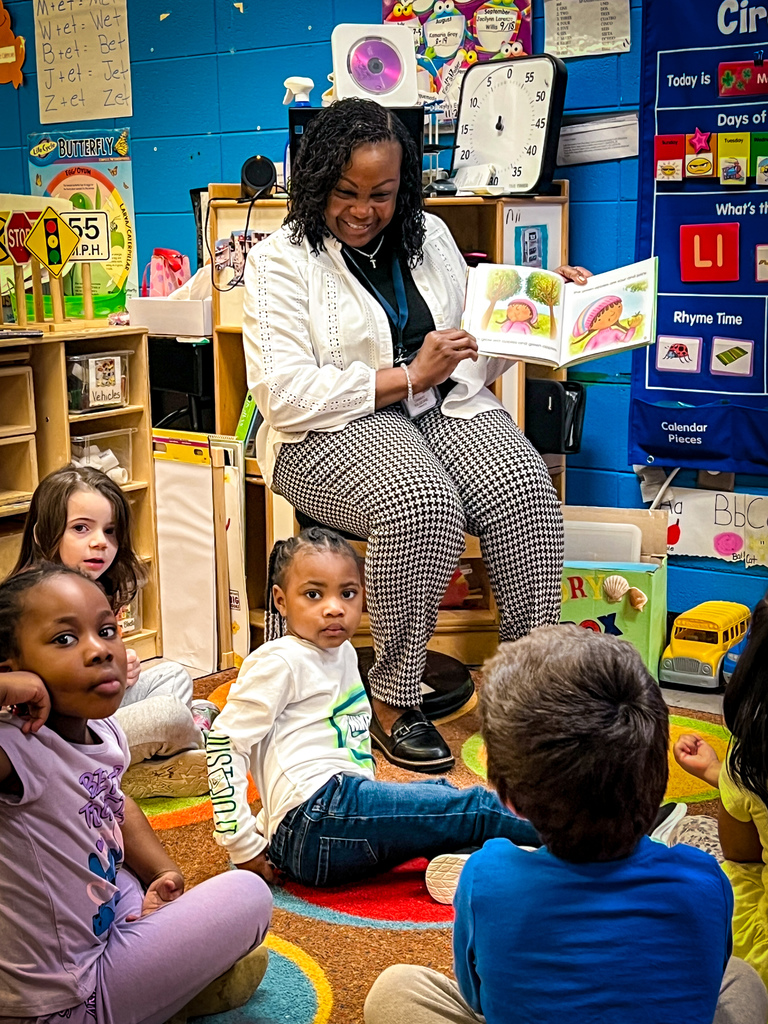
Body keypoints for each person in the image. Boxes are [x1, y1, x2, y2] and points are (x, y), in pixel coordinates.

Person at [241, 96, 589, 773]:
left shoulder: (427, 235)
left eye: (384, 193)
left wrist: (546, 315)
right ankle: (394, 698)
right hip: (327, 428)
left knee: (525, 491)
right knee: (421, 501)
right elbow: (282, 395)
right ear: (316, 181)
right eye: (347, 192)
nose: (365, 209)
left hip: (439, 405)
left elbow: (473, 349)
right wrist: (405, 374)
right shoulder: (279, 259)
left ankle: (530, 689)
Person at [365, 625, 768, 1024]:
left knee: (395, 988)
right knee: (742, 978)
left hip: (509, 900)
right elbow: (707, 975)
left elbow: (478, 998)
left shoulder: (485, 876)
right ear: (659, 776)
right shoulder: (706, 880)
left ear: (510, 801)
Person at [0, 564, 272, 1023]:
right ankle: (172, 998)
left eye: (107, 630)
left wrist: (163, 871)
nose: (98, 650)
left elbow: (114, 804)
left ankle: (164, 986)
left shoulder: (104, 730)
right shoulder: (15, 747)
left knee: (123, 872)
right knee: (250, 893)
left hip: (97, 928)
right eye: (65, 639)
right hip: (67, 1000)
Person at [205, 527, 542, 889]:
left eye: (347, 593)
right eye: (313, 594)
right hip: (320, 817)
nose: (334, 607)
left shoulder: (344, 653)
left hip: (328, 829)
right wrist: (242, 843)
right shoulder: (280, 660)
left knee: (438, 805)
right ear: (281, 600)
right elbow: (224, 743)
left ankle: (479, 863)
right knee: (470, 806)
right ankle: (587, 841)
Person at [6, 465, 213, 798]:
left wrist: (122, 663)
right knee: (169, 715)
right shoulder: (25, 604)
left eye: (110, 530)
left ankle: (141, 762)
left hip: (99, 714)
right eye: (81, 528)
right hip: (61, 734)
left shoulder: (95, 587)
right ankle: (136, 770)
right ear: (42, 533)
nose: (100, 542)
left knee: (173, 674)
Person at [673, 595, 768, 986]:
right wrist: (718, 771)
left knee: (690, 835)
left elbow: (742, 856)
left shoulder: (752, 757)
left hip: (757, 965)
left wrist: (728, 773)